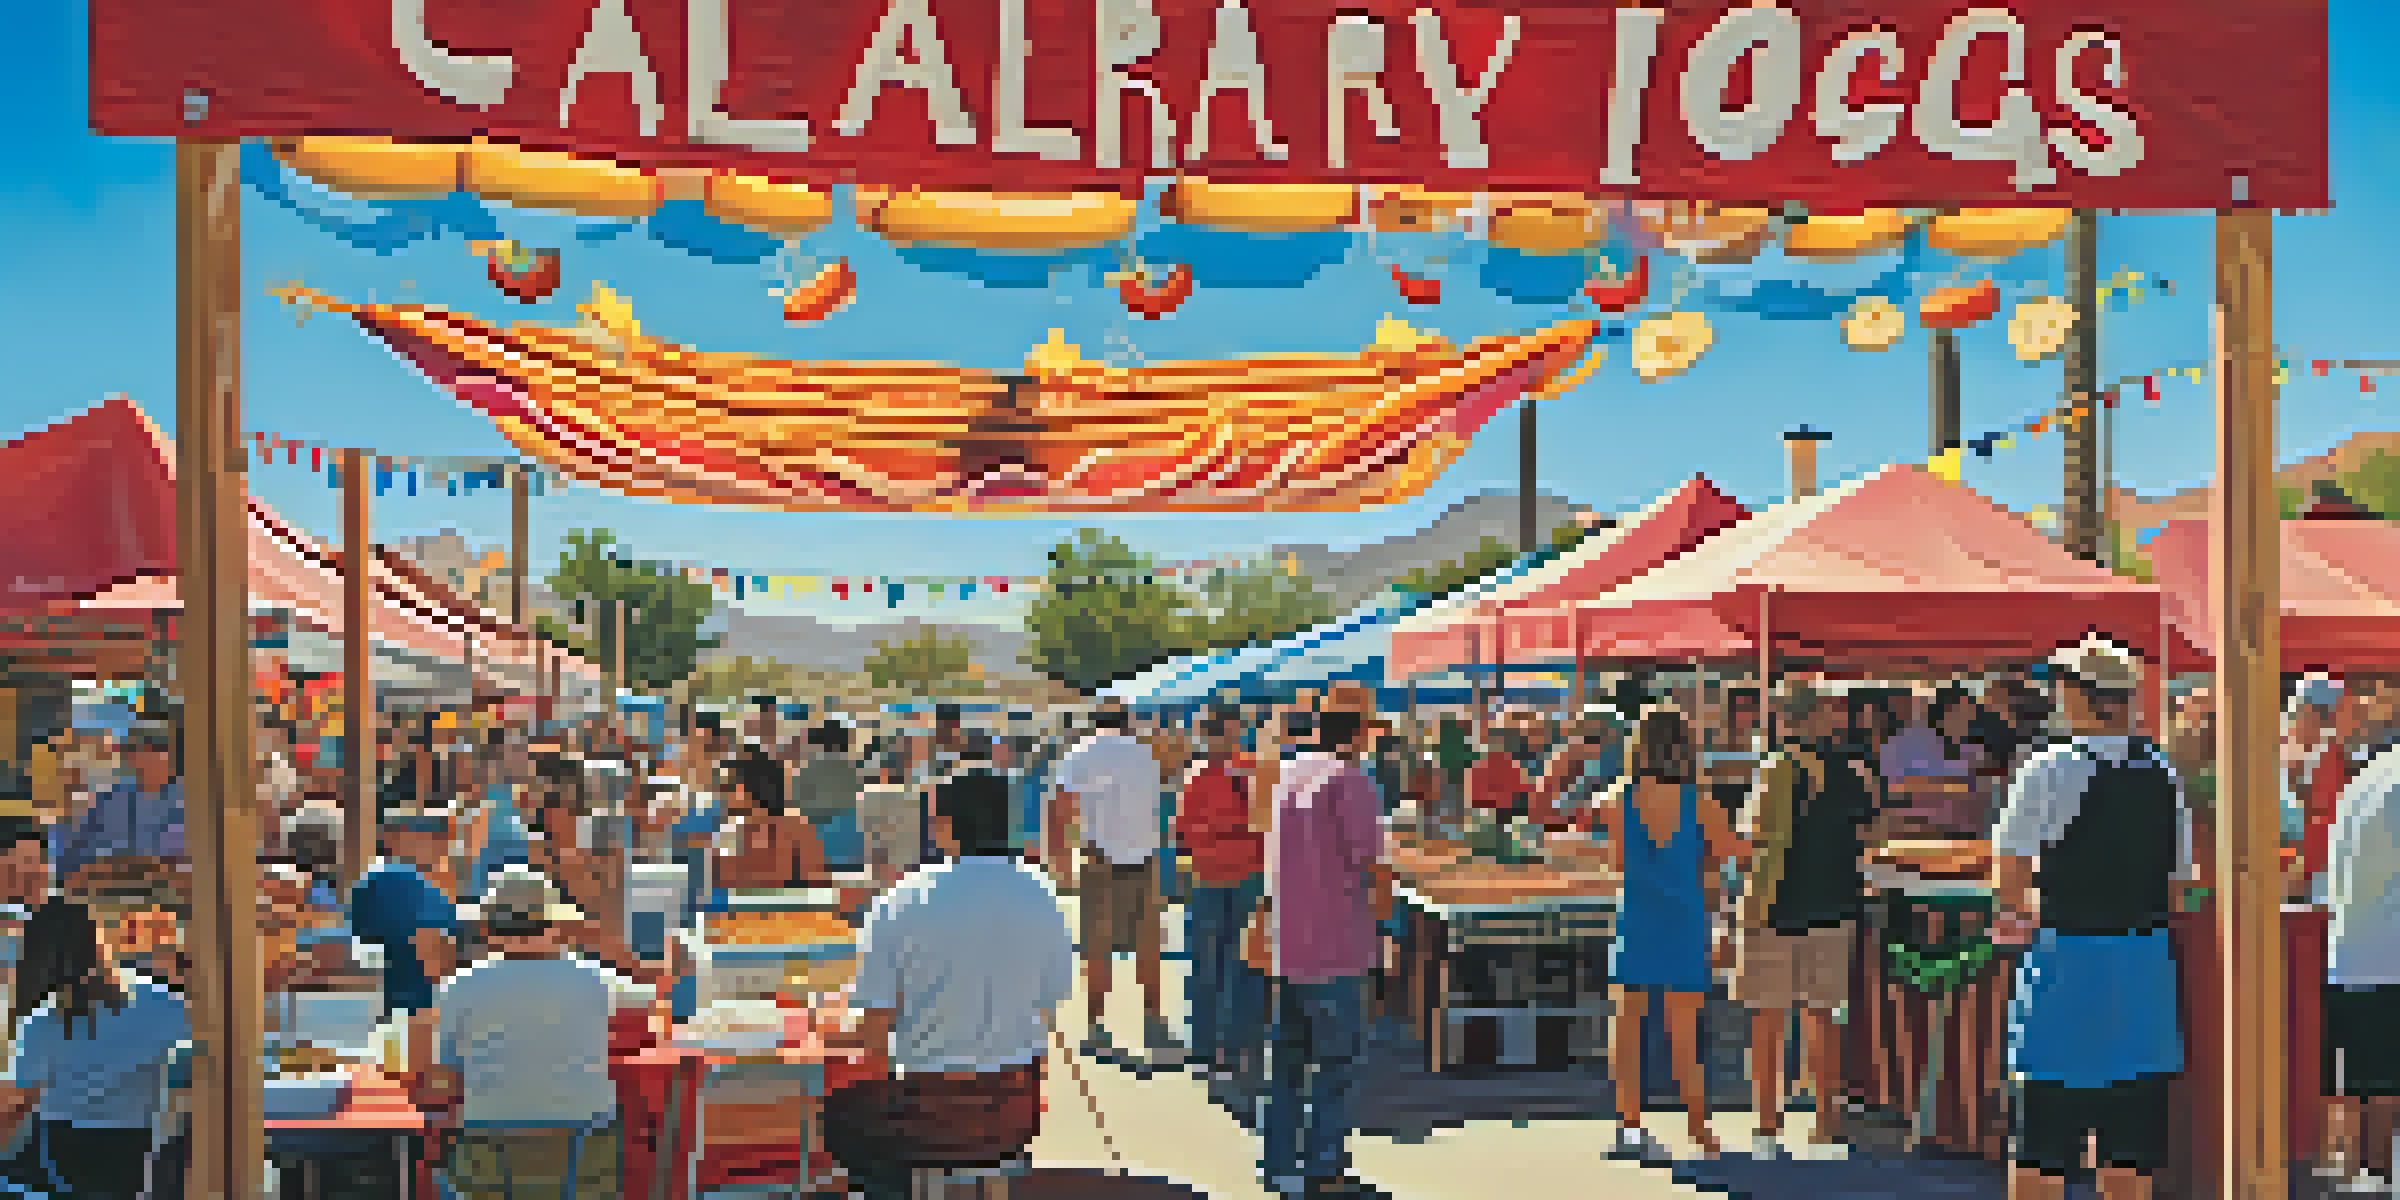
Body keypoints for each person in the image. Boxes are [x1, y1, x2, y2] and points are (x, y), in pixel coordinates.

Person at [820, 738, 1074, 1200]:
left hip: (925, 1115)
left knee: (832, 1118)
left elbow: (875, 1040)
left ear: (945, 827)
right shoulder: (1043, 894)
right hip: (1016, 1113)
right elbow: (1049, 1001)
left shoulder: (901, 899)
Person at [1990, 637, 2195, 1200]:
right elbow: (2178, 887)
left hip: (2067, 969)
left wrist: (2029, 912)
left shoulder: (2048, 768)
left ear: (2078, 695)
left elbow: (2008, 877)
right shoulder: (2163, 773)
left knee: (2043, 1151)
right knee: (2129, 1153)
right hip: (2143, 976)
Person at [416, 868, 626, 1200]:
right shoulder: (595, 979)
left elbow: (445, 1079)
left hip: (489, 1147)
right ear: (555, 925)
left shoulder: (459, 986)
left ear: (488, 930)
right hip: (584, 1147)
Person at [1256, 705, 1391, 1197]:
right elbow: (1372, 862)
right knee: (1336, 1066)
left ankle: (1278, 1164)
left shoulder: (1289, 775)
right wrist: (1386, 927)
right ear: (1354, 737)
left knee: (1287, 1066)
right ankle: (1324, 1166)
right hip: (1338, 944)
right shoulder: (1350, 780)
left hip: (1289, 943)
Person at [1732, 684, 1872, 1157]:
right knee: (1823, 1021)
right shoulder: (1850, 771)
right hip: (1834, 906)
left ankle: (1767, 1129)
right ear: (1817, 717)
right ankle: (1824, 1128)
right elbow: (1869, 830)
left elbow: (1754, 836)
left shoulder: (1774, 768)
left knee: (1767, 1023)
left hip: (1774, 905)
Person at [1603, 706, 1738, 1163]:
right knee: (1684, 1031)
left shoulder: (1617, 799)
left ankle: (1629, 1126)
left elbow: (1618, 864)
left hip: (1638, 916)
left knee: (1627, 1026)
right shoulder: (1700, 802)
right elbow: (1730, 853)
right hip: (1686, 919)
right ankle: (1699, 1130)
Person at [0, 898, 191, 1200]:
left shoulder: (45, 1019)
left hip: (58, 1155)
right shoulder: (163, 1003)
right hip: (134, 1155)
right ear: (101, 942)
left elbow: (17, 1102)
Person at [1048, 703, 1177, 1062]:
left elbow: (1059, 808)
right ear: (1127, 722)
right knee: (1149, 945)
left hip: (1099, 859)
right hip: (1145, 858)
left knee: (1096, 947)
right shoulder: (1146, 754)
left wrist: (1059, 860)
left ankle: (1096, 1026)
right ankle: (1154, 1023)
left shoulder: (1082, 753)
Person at [2319, 676, 2400, 1186]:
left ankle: (2363, 1179)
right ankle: (2374, 1178)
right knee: (2382, 1086)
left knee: (2362, 1085)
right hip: (2387, 954)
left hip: (2351, 952)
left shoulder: (2364, 778)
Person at [1174, 709, 1266, 1088]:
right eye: (1222, 733)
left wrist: (1222, 832)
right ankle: (1215, 1050)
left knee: (1229, 966)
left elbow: (1187, 833)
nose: (1225, 739)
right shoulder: (1211, 775)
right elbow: (1188, 832)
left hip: (1229, 877)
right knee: (1219, 965)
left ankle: (1226, 1049)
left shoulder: (1245, 770)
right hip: (1225, 878)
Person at [348, 807, 463, 1019]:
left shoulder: (370, 882)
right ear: (394, 837)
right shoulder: (405, 880)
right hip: (417, 1011)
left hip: (378, 1009)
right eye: (429, 835)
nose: (442, 845)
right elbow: (431, 950)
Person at [51, 727, 184, 886]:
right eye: (138, 754)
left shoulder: (181, 801)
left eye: (155, 753)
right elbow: (74, 860)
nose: (145, 762)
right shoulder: (113, 799)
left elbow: (174, 864)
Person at [711, 748, 825, 891]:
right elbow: (723, 886)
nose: (722, 794)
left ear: (754, 787)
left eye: (728, 787)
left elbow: (817, 890)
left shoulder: (798, 833)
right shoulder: (733, 834)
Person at [793, 720, 866, 873]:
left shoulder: (810, 768)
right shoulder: (851, 767)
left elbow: (799, 800)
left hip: (820, 831)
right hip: (849, 831)